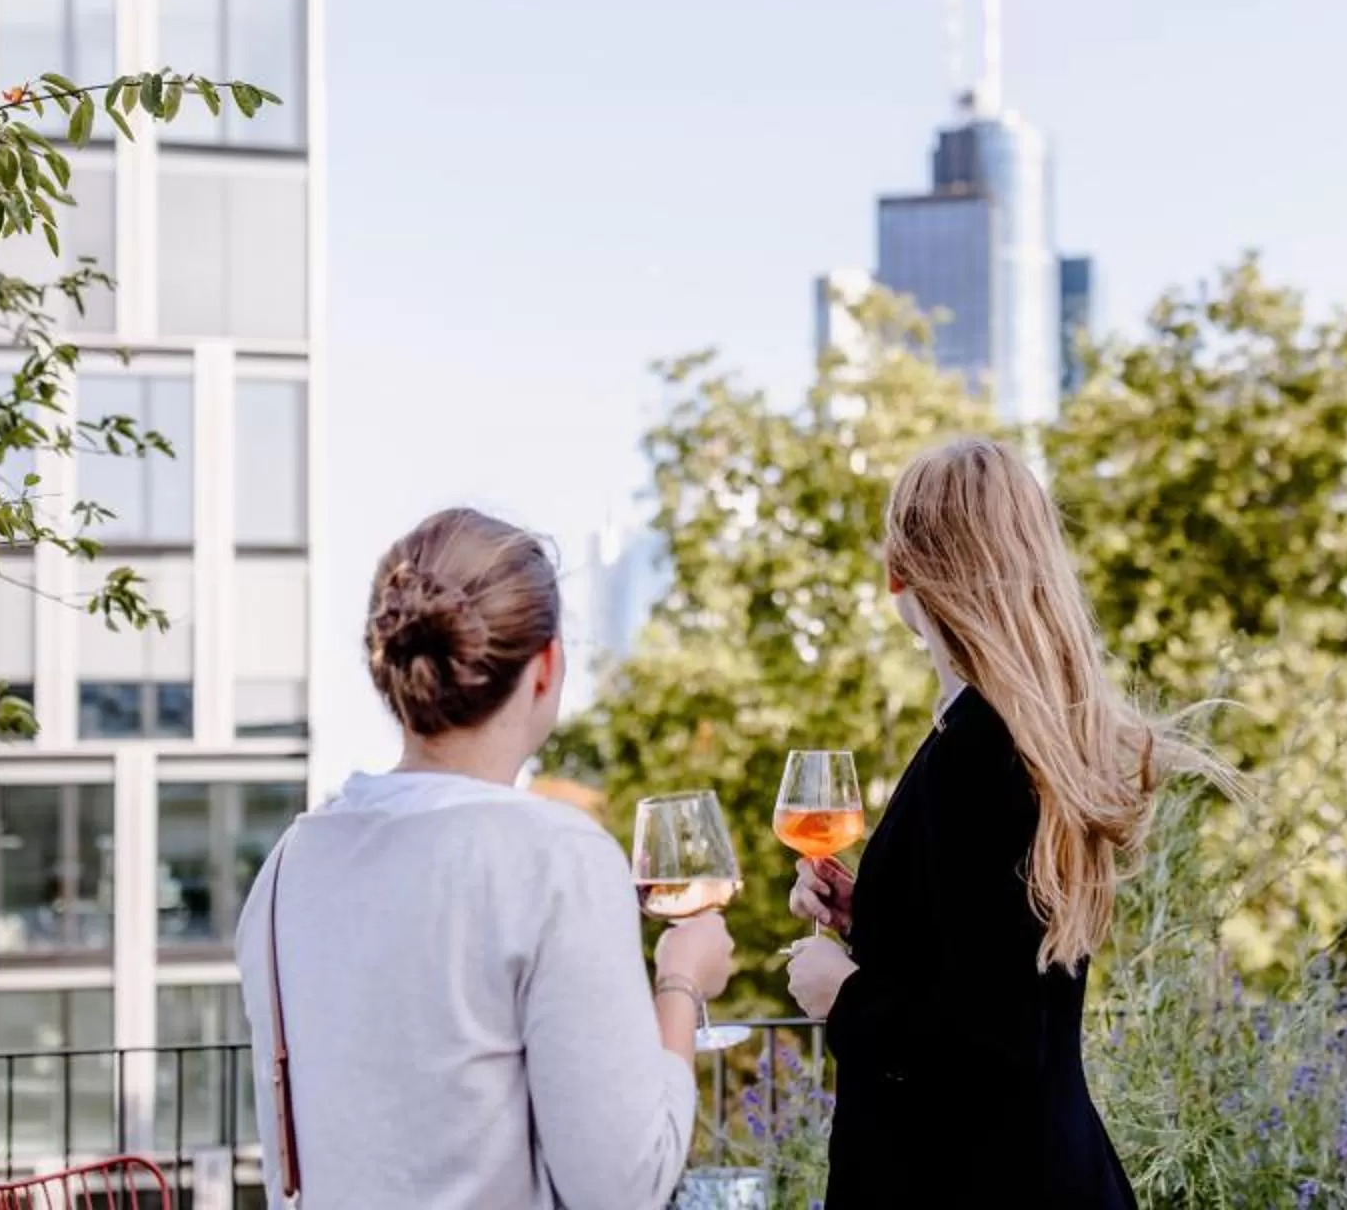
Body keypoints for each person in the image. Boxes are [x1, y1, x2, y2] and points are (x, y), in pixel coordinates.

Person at [237, 509, 733, 1210]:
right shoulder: (556, 859)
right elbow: (625, 1186)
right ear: (547, 667)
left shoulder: (288, 866)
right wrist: (680, 983)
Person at [781, 437, 1214, 1209]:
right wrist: (867, 916)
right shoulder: (1014, 737)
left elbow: (991, 1045)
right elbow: (989, 959)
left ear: (899, 570)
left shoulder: (980, 752)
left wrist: (841, 995)